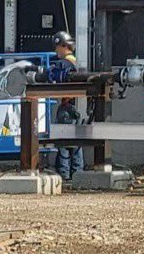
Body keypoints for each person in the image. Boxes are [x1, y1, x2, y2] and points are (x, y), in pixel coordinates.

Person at [52, 30, 84, 180]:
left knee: (63, 142)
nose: (56, 50)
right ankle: (78, 173)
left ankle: (63, 175)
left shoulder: (63, 64)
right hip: (77, 106)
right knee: (76, 143)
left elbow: (53, 76)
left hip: (66, 107)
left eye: (57, 47)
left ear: (64, 46)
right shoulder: (76, 63)